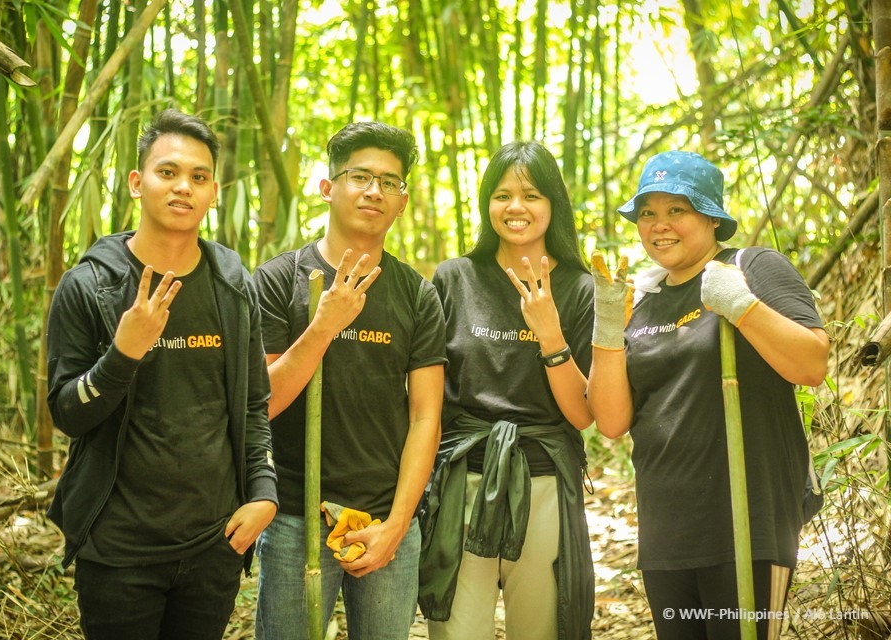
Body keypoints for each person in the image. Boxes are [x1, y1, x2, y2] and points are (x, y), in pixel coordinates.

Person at [45, 109, 278, 640]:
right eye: (167, 172)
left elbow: (251, 406)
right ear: (137, 182)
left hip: (213, 545)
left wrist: (263, 492)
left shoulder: (233, 285)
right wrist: (123, 355)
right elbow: (67, 414)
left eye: (198, 177)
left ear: (214, 191)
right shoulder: (89, 287)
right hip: (119, 551)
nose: (183, 188)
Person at [587, 150, 829, 640]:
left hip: (747, 522)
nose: (659, 225)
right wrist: (609, 326)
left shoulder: (752, 266)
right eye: (648, 213)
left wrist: (741, 306)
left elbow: (811, 364)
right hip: (668, 531)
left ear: (712, 216)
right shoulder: (645, 298)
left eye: (677, 210)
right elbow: (611, 422)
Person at [251, 121, 446, 640]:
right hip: (295, 516)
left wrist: (399, 526)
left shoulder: (417, 294)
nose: (374, 191)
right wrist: (324, 325)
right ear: (328, 188)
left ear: (402, 202)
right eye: (360, 176)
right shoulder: (278, 280)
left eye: (390, 182)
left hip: (385, 518)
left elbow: (427, 415)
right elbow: (261, 402)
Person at [419, 141, 595, 640]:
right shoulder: (455, 278)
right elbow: (427, 393)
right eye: (502, 195)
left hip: (542, 480)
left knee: (540, 630)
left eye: (531, 195)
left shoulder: (581, 289)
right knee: (455, 632)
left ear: (553, 205)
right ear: (486, 204)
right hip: (461, 484)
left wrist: (549, 334)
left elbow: (583, 414)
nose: (516, 207)